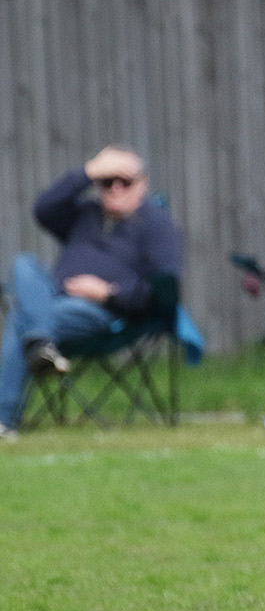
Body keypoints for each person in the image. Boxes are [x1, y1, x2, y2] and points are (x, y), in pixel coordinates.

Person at [0, 146, 184, 440]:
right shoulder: (86, 214)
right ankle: (41, 344)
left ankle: (5, 415)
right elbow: (43, 209)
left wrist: (107, 293)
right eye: (107, 182)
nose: (115, 189)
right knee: (24, 264)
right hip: (54, 299)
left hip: (102, 313)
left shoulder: (156, 225)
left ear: (143, 184)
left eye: (125, 181)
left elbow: (164, 289)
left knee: (22, 316)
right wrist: (87, 171)